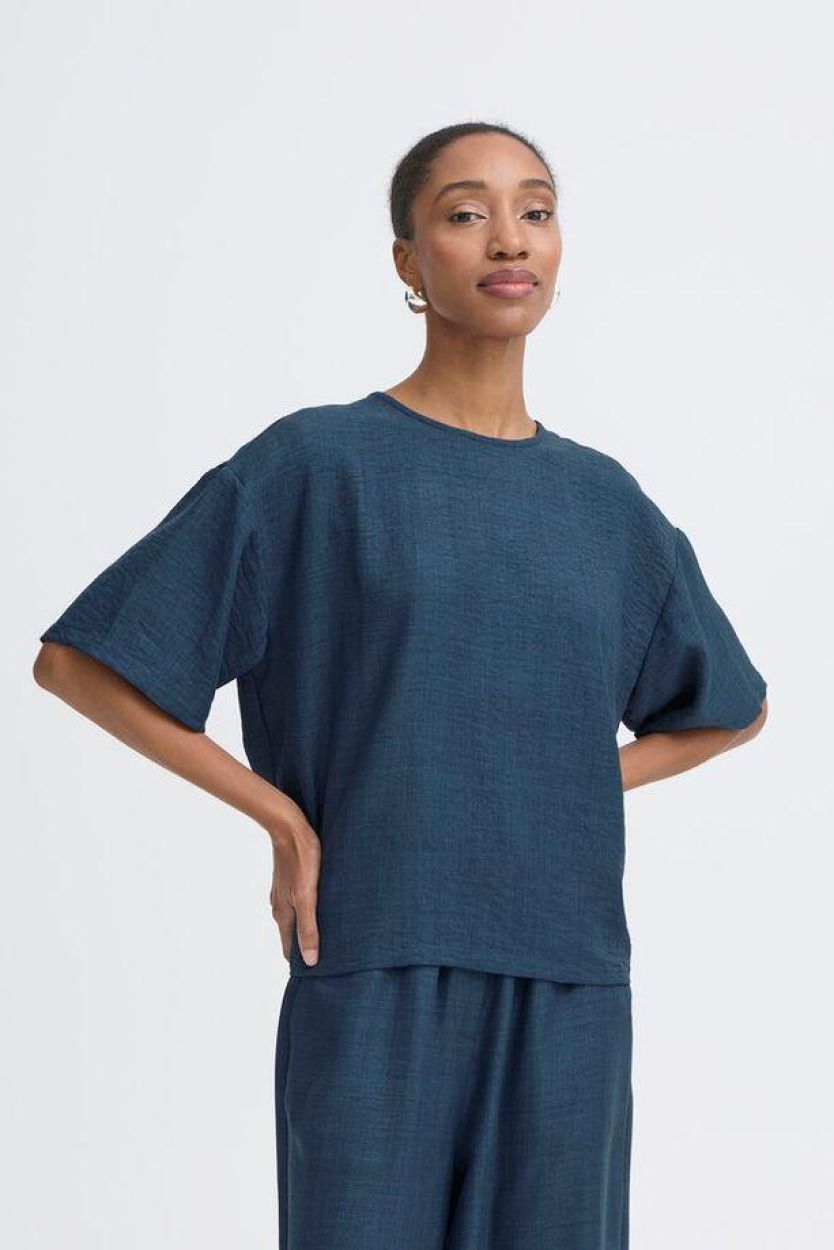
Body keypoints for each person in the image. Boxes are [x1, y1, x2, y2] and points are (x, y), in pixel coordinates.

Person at [34, 121, 768, 1250]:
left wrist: (568, 777)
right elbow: (83, 660)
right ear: (408, 260)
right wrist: (280, 816)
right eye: (467, 213)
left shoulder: (607, 505)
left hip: (568, 971)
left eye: (536, 210)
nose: (509, 239)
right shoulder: (315, 466)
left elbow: (732, 705)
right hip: (374, 954)